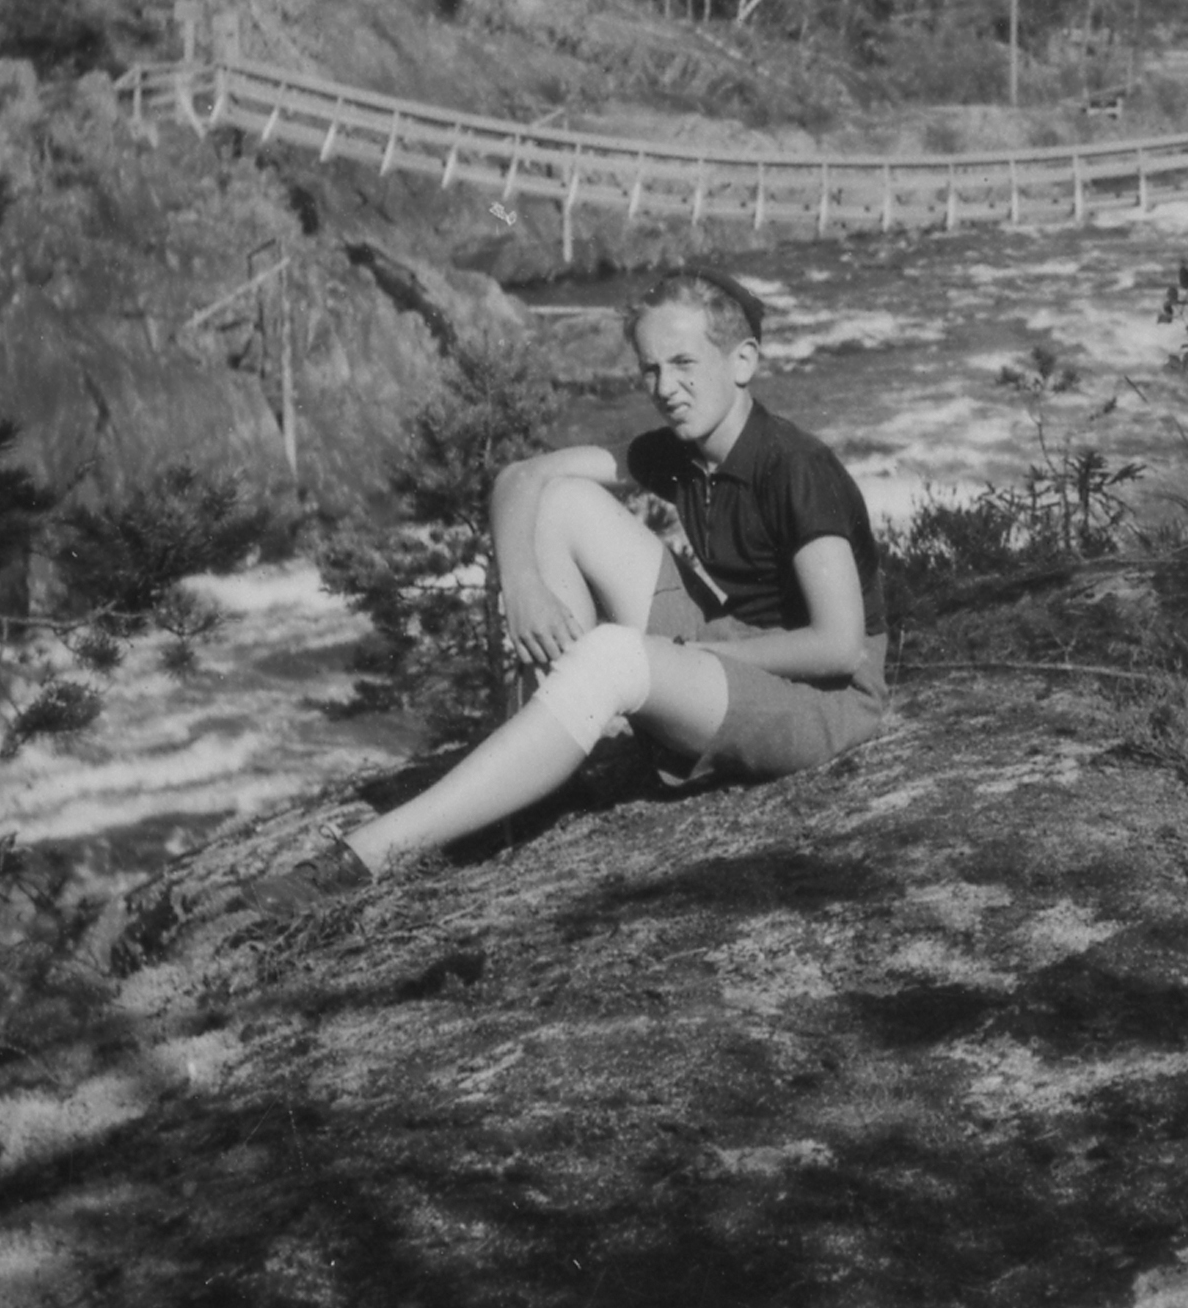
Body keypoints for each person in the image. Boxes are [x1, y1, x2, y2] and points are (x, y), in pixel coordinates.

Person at [277, 268, 887, 899]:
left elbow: (840, 647)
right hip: (737, 645)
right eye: (650, 369)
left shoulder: (795, 467)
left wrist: (692, 653)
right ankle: (541, 783)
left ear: (743, 361)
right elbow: (522, 477)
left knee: (613, 655)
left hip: (823, 700)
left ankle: (363, 857)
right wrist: (523, 586)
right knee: (561, 502)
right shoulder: (687, 451)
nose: (665, 389)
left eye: (684, 363)